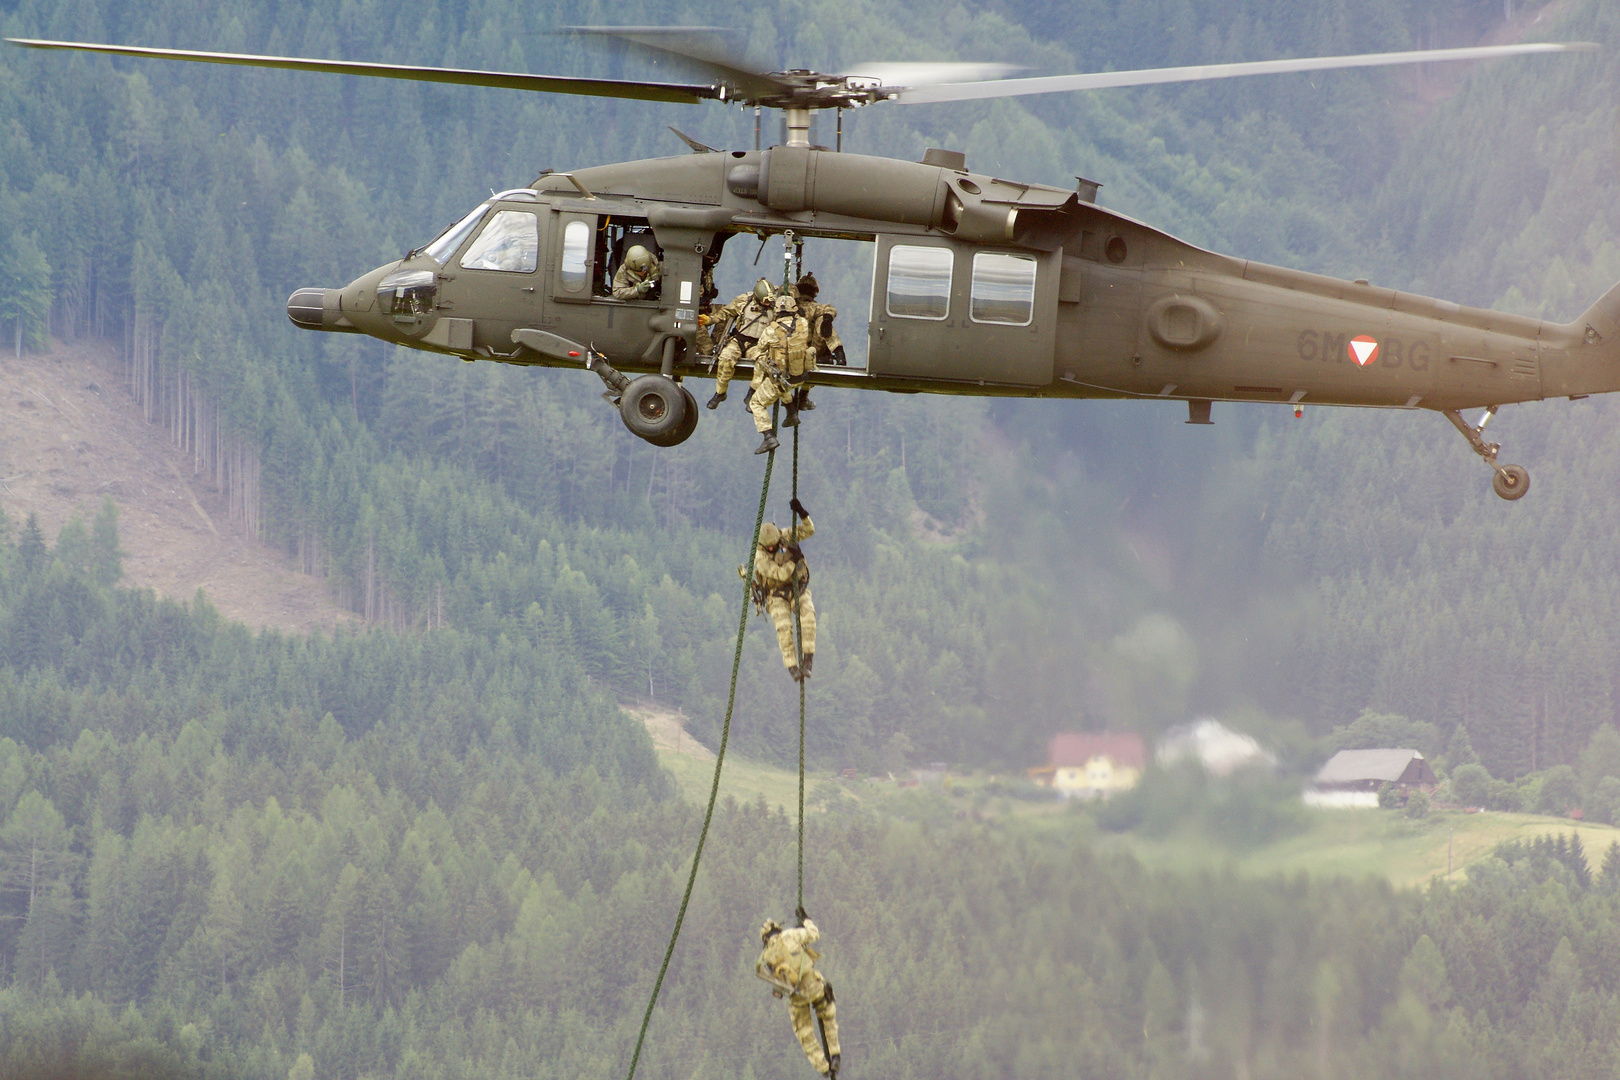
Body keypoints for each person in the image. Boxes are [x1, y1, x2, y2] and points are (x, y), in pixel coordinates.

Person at [756, 906, 841, 1078]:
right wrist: (805, 921)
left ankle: (824, 1067)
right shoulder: (791, 934)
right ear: (777, 929)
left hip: (796, 996)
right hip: (814, 985)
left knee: (804, 1032)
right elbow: (814, 934)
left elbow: (777, 982)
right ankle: (835, 1054)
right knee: (828, 1016)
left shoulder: (766, 956)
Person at [752, 498, 815, 680]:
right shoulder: (760, 557)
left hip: (797, 588)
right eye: (770, 547)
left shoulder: (784, 536)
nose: (773, 548)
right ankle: (792, 666)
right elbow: (779, 574)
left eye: (775, 544)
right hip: (776, 594)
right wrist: (794, 560)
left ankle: (808, 659)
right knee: (784, 627)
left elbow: (809, 530)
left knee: (808, 615)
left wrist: (802, 513)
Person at [747, 292, 811, 454]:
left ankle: (768, 437)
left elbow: (760, 348)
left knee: (756, 403)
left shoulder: (771, 331)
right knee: (780, 381)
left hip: (782, 379)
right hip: (801, 376)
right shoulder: (803, 323)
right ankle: (791, 413)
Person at [698, 278, 776, 409]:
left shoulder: (775, 308)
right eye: (765, 301)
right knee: (726, 358)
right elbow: (726, 312)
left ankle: (752, 393)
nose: (767, 303)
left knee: (763, 362)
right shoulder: (744, 301)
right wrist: (710, 320)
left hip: (757, 345)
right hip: (739, 340)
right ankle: (720, 392)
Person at [789, 272, 844, 418]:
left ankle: (800, 398)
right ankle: (839, 354)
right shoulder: (814, 308)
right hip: (809, 353)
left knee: (822, 323)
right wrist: (826, 318)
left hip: (795, 352)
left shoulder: (791, 308)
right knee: (822, 323)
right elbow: (829, 308)